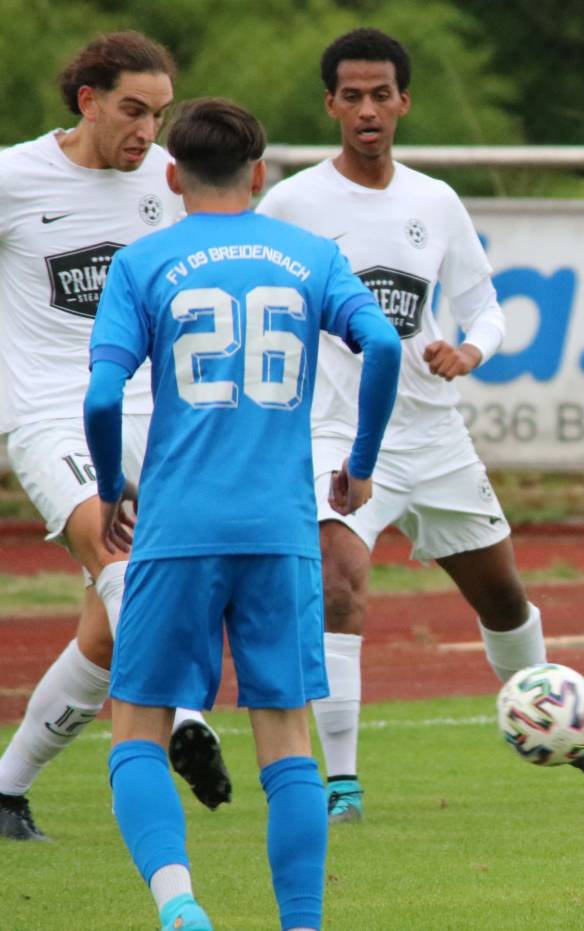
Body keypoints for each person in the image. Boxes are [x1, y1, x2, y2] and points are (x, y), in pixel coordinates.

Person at [256, 27, 584, 823]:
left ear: (404, 101)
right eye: (352, 95)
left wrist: (470, 348)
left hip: (433, 438)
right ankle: (343, 785)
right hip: (335, 432)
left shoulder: (435, 201)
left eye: (381, 94)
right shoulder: (291, 204)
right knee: (339, 583)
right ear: (329, 104)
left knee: (503, 599)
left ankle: (556, 724)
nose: (368, 109)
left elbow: (486, 306)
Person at [84, 97, 401, 931]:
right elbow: (389, 347)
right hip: (280, 529)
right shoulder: (310, 256)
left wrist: (116, 477)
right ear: (259, 176)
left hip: (176, 527)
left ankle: (180, 903)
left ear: (173, 173)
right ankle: (301, 924)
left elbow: (101, 391)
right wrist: (359, 467)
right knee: (286, 740)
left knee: (137, 729)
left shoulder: (142, 263)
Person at [0, 31, 230, 843]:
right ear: (86, 99)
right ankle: (188, 719)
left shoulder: (166, 189)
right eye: (132, 110)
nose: (146, 131)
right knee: (119, 559)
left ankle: (4, 789)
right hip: (52, 417)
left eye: (159, 116)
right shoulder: (15, 178)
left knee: (104, 637)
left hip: (154, 422)